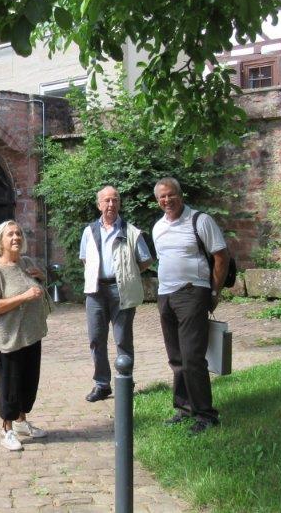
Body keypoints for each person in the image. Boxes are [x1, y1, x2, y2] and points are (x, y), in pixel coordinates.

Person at [152, 177, 229, 434]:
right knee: (176, 357)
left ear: (180, 195)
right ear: (157, 200)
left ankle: (205, 414)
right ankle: (184, 408)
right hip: (165, 296)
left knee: (193, 357)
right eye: (162, 197)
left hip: (192, 293)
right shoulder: (157, 228)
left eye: (171, 195)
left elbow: (221, 256)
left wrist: (214, 291)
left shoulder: (200, 221)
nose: (167, 200)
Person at [79, 186, 153, 402]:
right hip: (95, 291)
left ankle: (125, 381)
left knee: (122, 339)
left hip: (121, 290)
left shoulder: (131, 231)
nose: (111, 204)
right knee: (96, 339)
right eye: (107, 201)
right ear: (99, 204)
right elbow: (85, 258)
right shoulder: (88, 231)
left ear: (119, 204)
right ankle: (102, 385)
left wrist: (126, 273)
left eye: (115, 200)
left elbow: (146, 260)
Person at [0, 220, 50, 451]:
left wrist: (41, 278)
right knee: (10, 386)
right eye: (10, 234)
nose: (16, 238)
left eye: (19, 234)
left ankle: (22, 423)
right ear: (0, 241)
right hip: (9, 337)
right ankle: (7, 429)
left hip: (31, 333)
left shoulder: (27, 262)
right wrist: (24, 296)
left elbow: (40, 289)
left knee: (29, 382)